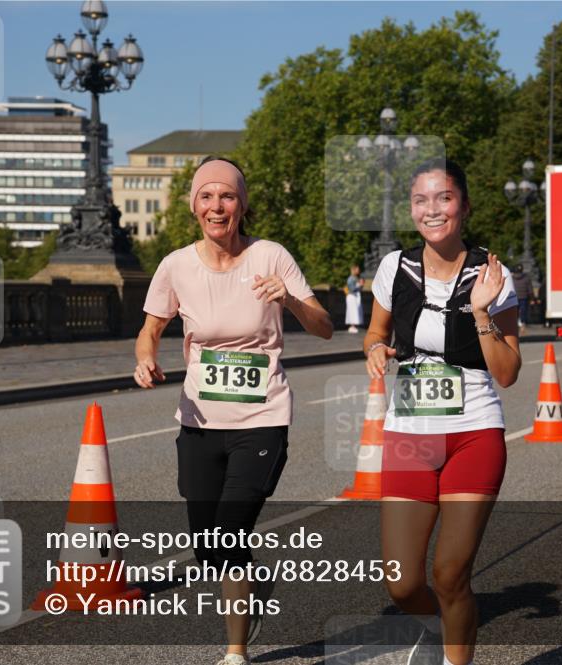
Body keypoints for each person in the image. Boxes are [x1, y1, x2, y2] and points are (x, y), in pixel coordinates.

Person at [134, 157, 333, 665]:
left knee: (230, 530)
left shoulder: (270, 256)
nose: (216, 206)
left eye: (227, 196)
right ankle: (253, 592)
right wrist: (145, 359)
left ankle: (235, 651)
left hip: (263, 418)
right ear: (193, 206)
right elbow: (151, 328)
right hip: (199, 423)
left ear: (242, 205)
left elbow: (325, 326)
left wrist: (289, 298)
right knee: (208, 550)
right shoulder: (177, 264)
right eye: (206, 196)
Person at [363, 158, 521, 665]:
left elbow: (508, 371)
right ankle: (439, 631)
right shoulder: (394, 267)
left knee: (450, 574)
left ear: (464, 206)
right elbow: (376, 332)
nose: (432, 210)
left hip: (474, 431)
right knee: (402, 583)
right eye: (421, 200)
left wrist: (480, 312)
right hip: (409, 433)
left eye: (444, 198)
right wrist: (374, 349)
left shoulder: (493, 274)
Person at [512, 263, 533, 332]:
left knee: (515, 312)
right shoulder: (527, 278)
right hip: (524, 297)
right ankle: (522, 323)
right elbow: (530, 290)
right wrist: (532, 298)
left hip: (513, 297)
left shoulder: (511, 278)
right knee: (523, 311)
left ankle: (515, 324)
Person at [345, 264, 365, 333]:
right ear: (354, 270)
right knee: (352, 311)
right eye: (357, 269)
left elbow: (359, 288)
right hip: (352, 296)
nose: (358, 270)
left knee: (356, 310)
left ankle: (354, 326)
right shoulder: (351, 278)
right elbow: (351, 289)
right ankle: (352, 326)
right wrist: (359, 284)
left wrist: (361, 285)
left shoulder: (357, 278)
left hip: (356, 296)